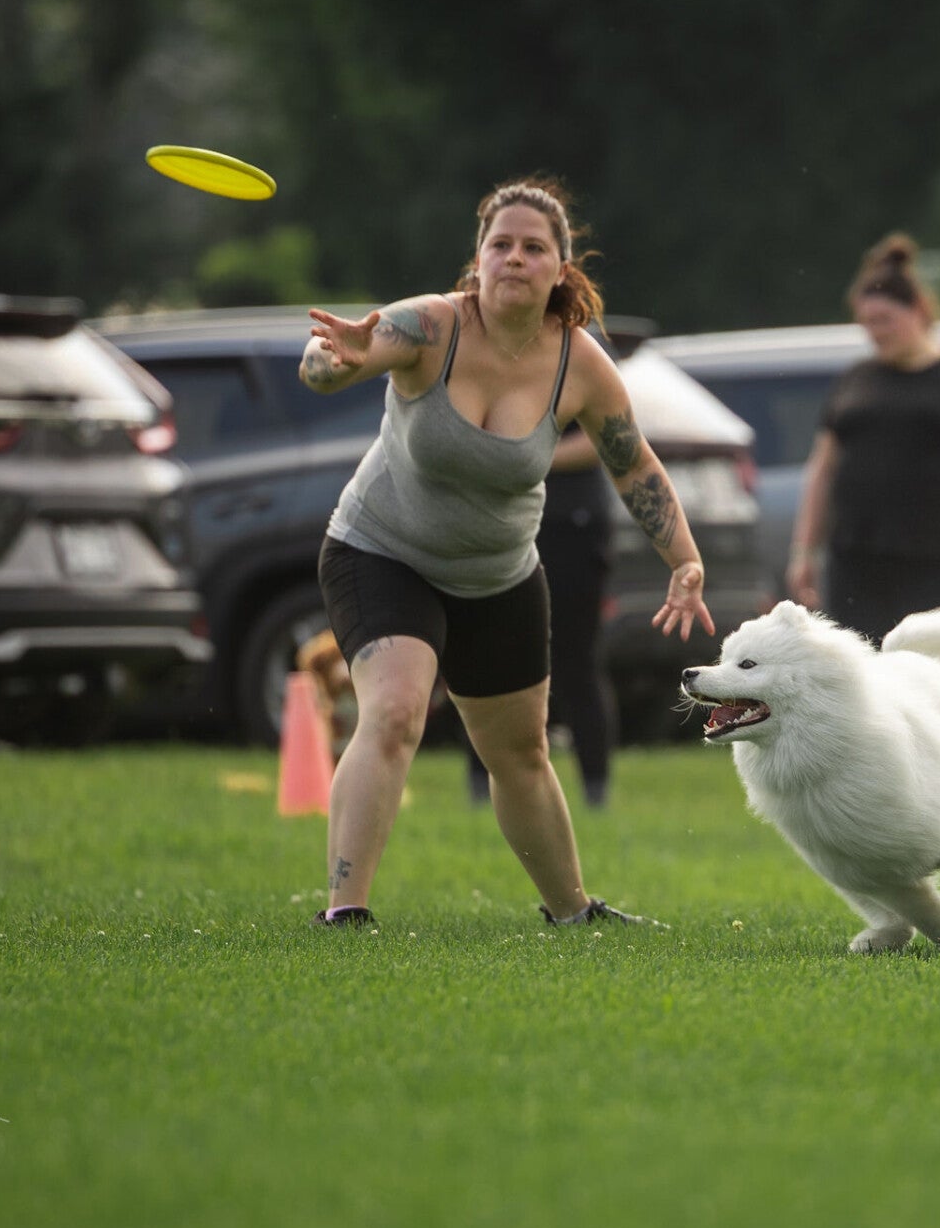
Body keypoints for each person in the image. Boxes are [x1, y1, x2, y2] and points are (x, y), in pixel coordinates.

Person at [298, 177, 713, 930]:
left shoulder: (579, 363)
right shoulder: (429, 325)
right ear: (477, 259)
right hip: (381, 548)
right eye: (499, 244)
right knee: (393, 709)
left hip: (497, 575)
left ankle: (572, 912)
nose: (513, 258)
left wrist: (682, 558)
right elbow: (328, 364)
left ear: (560, 268)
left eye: (532, 248)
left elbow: (633, 464)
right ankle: (345, 908)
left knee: (518, 753)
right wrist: (336, 357)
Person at [784, 232, 940, 646]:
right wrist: (804, 551)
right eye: (867, 324)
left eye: (884, 321)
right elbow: (822, 469)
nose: (875, 333)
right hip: (857, 562)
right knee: (864, 673)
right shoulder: (855, 380)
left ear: (917, 310)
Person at [465, 425, 617, 810]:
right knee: (488, 651)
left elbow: (604, 437)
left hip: (570, 521)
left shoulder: (583, 362)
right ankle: (483, 784)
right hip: (499, 519)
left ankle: (594, 791)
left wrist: (521, 460)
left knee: (573, 659)